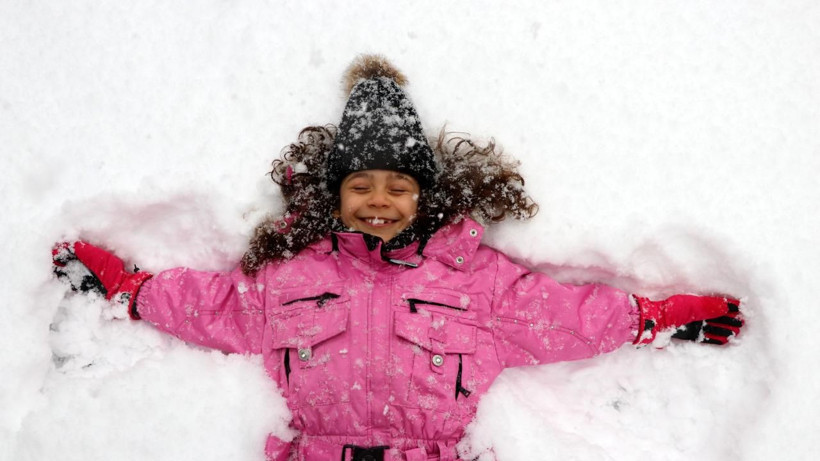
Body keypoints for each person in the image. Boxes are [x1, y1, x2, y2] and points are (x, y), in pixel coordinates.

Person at [52, 55, 744, 461]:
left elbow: (569, 317)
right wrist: (128, 289)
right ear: (337, 193)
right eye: (361, 184)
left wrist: (658, 318)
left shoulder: (475, 280)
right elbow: (211, 308)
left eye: (397, 185)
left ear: (422, 195)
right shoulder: (291, 276)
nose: (378, 199)